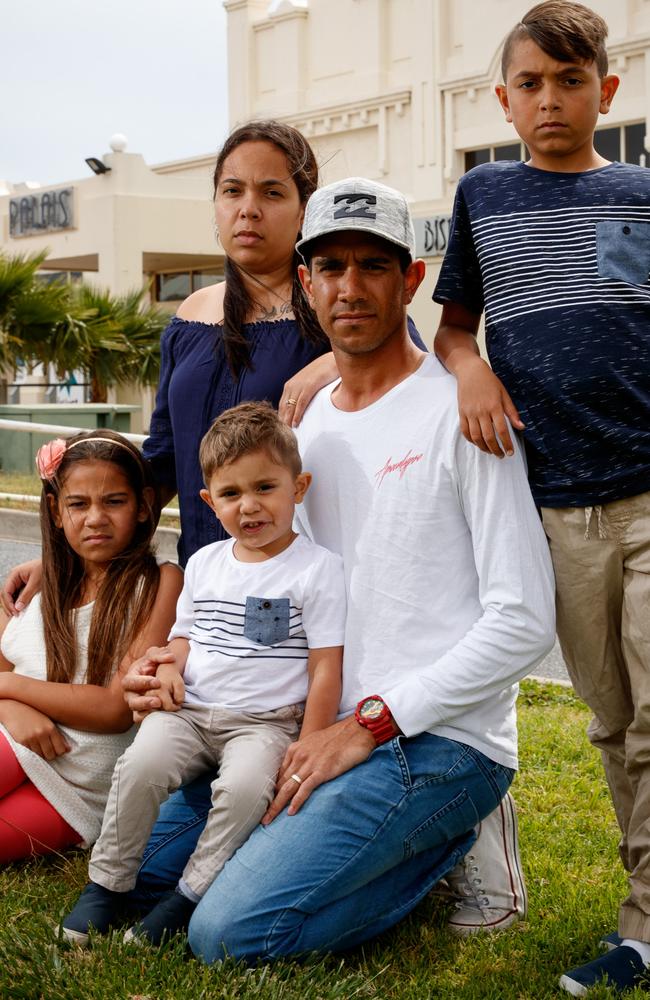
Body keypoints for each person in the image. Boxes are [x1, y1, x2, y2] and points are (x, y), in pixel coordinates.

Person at [122, 177, 555, 963]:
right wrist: (188, 653)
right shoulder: (305, 425)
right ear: (306, 284)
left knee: (226, 933)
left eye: (374, 266)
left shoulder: (463, 415)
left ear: (411, 280)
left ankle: (453, 835)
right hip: (301, 726)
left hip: (435, 738)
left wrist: (369, 724)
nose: (350, 287)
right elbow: (286, 583)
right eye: (330, 268)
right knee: (146, 877)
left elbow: (524, 621)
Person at [432, 2, 650, 993]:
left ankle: (642, 929)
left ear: (605, 92)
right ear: (503, 99)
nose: (550, 99)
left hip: (647, 494)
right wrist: (468, 369)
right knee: (608, 724)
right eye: (530, 83)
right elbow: (449, 330)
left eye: (570, 82)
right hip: (553, 509)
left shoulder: (638, 195)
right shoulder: (483, 195)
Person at [61, 403, 345, 946]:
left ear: (299, 486)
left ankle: (187, 896)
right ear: (209, 501)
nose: (250, 506)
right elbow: (185, 638)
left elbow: (325, 663)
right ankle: (108, 883)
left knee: (242, 791)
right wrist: (169, 665)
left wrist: (309, 743)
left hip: (264, 724)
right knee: (140, 765)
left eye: (266, 487)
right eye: (232, 494)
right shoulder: (206, 562)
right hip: (189, 712)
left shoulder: (316, 569)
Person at [0, 431, 182, 862]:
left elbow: (115, 710)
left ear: (143, 505)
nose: (95, 518)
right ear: (55, 511)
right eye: (78, 504)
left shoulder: (160, 582)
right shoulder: (38, 586)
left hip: (78, 787)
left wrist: (8, 690)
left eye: (114, 501)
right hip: (10, 737)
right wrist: (9, 706)